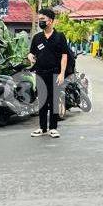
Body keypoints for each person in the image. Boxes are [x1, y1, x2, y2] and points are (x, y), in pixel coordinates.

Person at [28, 9, 68, 138]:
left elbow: (64, 56)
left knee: (54, 101)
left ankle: (53, 128)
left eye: (42, 20)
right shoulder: (37, 38)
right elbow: (31, 52)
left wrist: (62, 73)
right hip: (40, 73)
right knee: (43, 101)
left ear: (50, 21)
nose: (40, 22)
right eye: (39, 20)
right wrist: (30, 56)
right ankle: (42, 128)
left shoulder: (60, 37)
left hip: (55, 73)